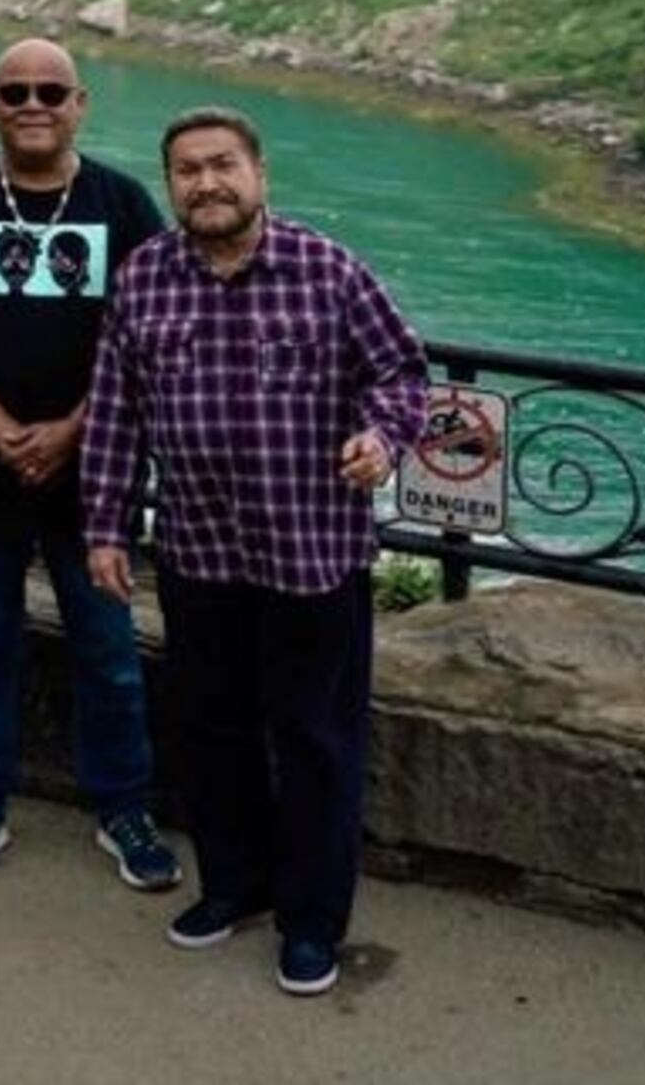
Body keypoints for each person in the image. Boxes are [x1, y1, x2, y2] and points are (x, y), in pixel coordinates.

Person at [82, 106, 427, 997]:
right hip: (199, 552)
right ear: (171, 185)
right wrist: (106, 525)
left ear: (259, 172)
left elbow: (402, 374)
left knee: (315, 740)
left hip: (313, 555)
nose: (207, 182)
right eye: (188, 170)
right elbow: (117, 410)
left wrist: (382, 440)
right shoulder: (145, 278)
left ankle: (313, 919)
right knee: (212, 732)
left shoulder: (328, 270)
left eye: (223, 164)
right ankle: (237, 885)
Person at [0, 36, 182, 892]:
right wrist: (0, 426)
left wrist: (71, 428)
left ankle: (125, 806)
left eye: (51, 90)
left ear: (80, 102)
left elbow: (147, 331)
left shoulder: (122, 203)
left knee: (110, 651)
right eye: (15, 91)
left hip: (97, 482)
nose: (33, 104)